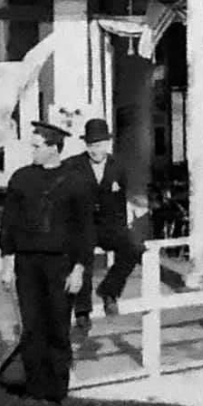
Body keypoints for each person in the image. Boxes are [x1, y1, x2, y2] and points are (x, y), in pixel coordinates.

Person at [0, 121, 95, 403]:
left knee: (57, 327)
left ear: (54, 148)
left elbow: (85, 229)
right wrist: (6, 264)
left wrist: (79, 269)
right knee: (32, 326)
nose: (33, 151)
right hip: (27, 264)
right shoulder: (21, 179)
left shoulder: (76, 181)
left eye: (37, 146)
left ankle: (56, 392)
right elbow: (9, 224)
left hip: (60, 265)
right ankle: (35, 389)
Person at [69, 118, 142, 330]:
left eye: (99, 145)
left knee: (134, 247)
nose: (95, 150)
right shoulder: (73, 165)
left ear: (108, 144)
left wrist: (130, 221)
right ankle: (82, 311)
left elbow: (134, 195)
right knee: (82, 259)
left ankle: (109, 291)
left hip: (111, 226)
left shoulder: (120, 166)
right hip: (83, 226)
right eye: (91, 146)